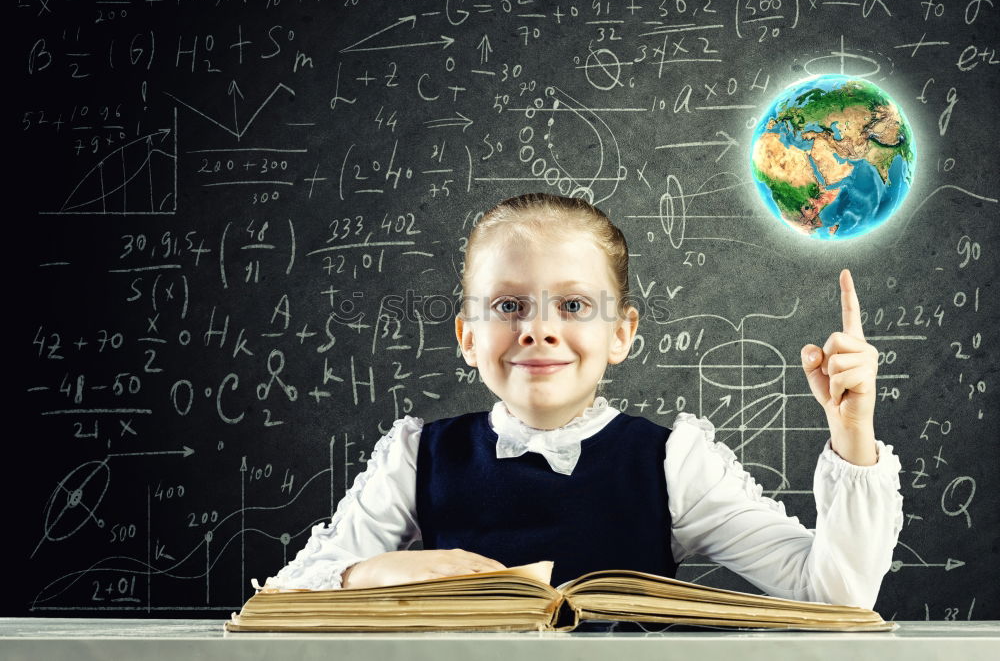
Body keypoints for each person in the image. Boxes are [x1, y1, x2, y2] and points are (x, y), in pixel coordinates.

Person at [263, 192, 903, 610]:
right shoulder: (415, 456)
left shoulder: (673, 462)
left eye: (572, 305)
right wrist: (377, 574)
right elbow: (287, 596)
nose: (538, 329)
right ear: (466, 336)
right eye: (508, 306)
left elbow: (837, 596)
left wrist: (853, 432)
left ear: (621, 333)